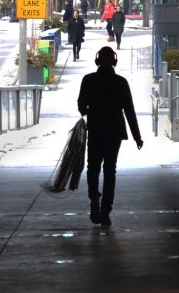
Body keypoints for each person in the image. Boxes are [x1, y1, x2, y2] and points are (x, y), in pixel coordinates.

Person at [77, 46, 143, 226]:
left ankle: (94, 197)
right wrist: (137, 137)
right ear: (114, 61)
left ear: (97, 61)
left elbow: (81, 106)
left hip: (96, 130)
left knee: (93, 166)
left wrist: (91, 109)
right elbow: (129, 111)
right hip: (114, 132)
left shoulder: (88, 80)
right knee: (110, 170)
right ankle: (106, 211)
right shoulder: (121, 82)